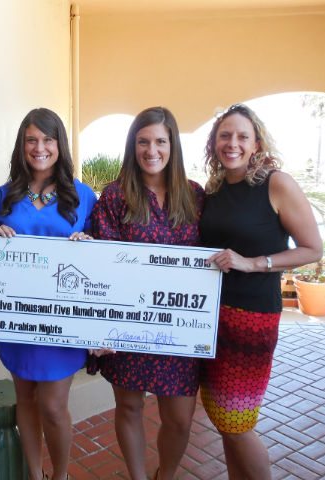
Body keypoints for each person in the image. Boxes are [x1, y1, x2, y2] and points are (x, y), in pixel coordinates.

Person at [199, 104, 323, 479]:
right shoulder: (215, 189)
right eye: (225, 135)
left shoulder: (276, 183)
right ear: (214, 143)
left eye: (241, 136)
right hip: (210, 317)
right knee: (223, 419)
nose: (232, 143)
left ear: (256, 143)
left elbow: (312, 248)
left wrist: (253, 263)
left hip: (251, 318)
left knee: (236, 421)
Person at [90, 106, 205, 480]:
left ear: (172, 145)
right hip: (128, 325)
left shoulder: (194, 196)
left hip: (180, 326)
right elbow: (102, 265)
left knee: (180, 419)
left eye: (159, 141)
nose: (151, 150)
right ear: (132, 146)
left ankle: (165, 475)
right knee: (129, 408)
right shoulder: (115, 196)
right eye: (143, 141)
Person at [0, 108, 97, 480]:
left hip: (63, 321)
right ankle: (35, 474)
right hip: (18, 319)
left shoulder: (82, 196)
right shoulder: (4, 195)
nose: (40, 147)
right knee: (26, 400)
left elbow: (102, 259)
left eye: (48, 139)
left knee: (52, 404)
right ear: (22, 145)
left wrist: (87, 242)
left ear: (59, 145)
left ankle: (59, 475)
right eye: (31, 140)